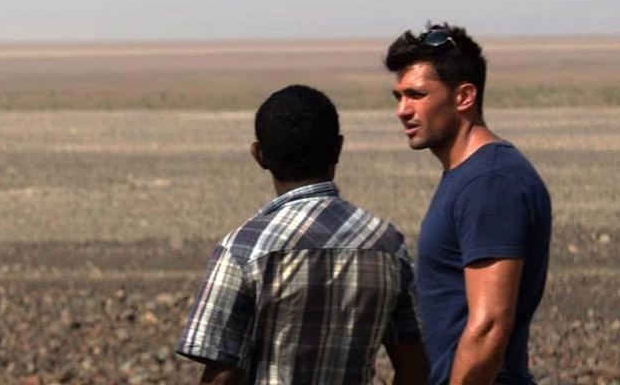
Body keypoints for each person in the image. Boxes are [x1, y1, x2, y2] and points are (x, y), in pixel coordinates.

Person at [175, 85, 430, 385]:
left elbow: (222, 374)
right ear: (337, 149)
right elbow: (415, 365)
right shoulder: (387, 244)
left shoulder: (243, 248)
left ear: (259, 155)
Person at [385, 23, 553, 385]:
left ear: (464, 97)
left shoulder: (490, 183)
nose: (402, 110)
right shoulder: (470, 176)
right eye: (398, 96)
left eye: (416, 95)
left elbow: (490, 324)